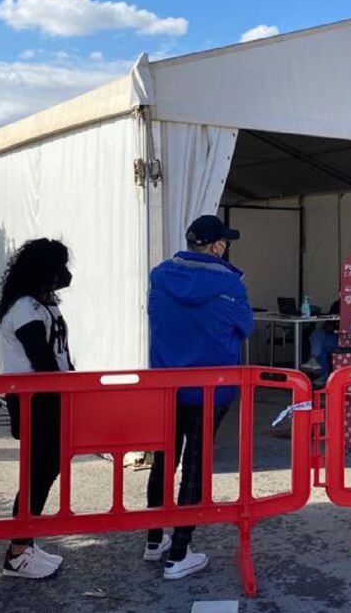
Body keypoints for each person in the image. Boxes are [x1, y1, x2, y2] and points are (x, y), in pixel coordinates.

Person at [144, 214, 254, 580]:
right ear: (217, 246)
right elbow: (246, 326)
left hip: (166, 385)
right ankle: (180, 551)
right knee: (195, 463)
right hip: (213, 385)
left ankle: (154, 538)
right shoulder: (231, 283)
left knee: (164, 458)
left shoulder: (159, 275)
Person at [0, 239, 74, 579]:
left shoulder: (40, 304)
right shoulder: (25, 308)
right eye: (58, 268)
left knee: (44, 470)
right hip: (36, 398)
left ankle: (25, 542)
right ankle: (18, 551)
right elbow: (40, 357)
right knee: (38, 472)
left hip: (50, 395)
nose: (64, 275)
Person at [302, 299, 340, 382]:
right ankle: (313, 359)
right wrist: (329, 326)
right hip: (330, 331)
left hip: (342, 335)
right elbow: (328, 321)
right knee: (316, 333)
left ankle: (324, 375)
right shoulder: (337, 303)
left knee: (326, 343)